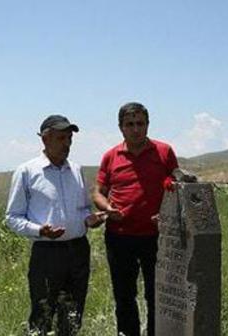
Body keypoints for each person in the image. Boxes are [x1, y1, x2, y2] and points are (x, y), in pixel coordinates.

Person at [5, 115, 104, 336]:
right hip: (47, 254)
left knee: (73, 316)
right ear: (45, 139)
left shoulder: (76, 170)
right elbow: (12, 217)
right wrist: (40, 231)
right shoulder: (28, 172)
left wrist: (91, 219)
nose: (67, 143)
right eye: (61, 138)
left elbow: (84, 209)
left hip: (78, 251)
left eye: (70, 138)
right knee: (43, 316)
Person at [92, 102, 178, 336]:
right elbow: (97, 192)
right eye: (130, 124)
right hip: (120, 236)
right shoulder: (111, 156)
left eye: (140, 123)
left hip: (156, 236)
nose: (136, 129)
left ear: (148, 125)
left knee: (157, 295)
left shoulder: (164, 152)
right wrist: (108, 208)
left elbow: (177, 188)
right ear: (121, 128)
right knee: (124, 296)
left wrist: (168, 213)